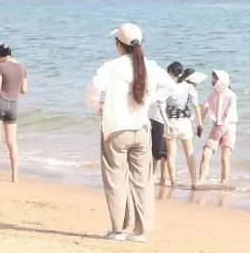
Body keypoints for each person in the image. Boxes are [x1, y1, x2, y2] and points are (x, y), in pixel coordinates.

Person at [85, 23, 173, 243]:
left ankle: (118, 231)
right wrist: (149, 100)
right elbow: (170, 86)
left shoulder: (111, 67)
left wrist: (98, 106)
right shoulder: (150, 66)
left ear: (119, 44)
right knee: (142, 182)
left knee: (116, 180)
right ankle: (139, 233)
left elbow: (94, 88)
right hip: (141, 129)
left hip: (116, 130)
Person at [0, 43, 28, 182]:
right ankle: (15, 177)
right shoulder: (22, 67)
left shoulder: (0, 67)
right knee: (12, 142)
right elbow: (24, 90)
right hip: (13, 106)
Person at [161, 64, 204, 189]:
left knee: (171, 154)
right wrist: (199, 122)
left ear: (170, 72)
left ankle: (173, 182)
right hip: (185, 123)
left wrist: (165, 122)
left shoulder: (167, 86)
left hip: (171, 122)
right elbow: (195, 105)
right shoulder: (189, 87)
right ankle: (194, 182)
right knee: (189, 153)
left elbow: (161, 105)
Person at [198, 69, 238, 187]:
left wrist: (221, 131)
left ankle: (224, 182)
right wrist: (200, 122)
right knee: (205, 153)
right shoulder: (212, 94)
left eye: (215, 78)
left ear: (222, 80)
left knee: (225, 158)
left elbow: (229, 116)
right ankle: (201, 180)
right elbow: (206, 108)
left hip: (229, 128)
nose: (212, 80)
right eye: (213, 78)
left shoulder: (231, 95)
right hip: (216, 127)